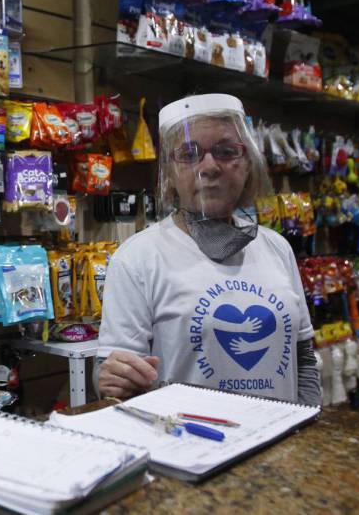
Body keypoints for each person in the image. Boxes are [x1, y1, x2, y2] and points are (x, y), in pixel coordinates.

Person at [97, 94, 321, 406]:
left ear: (247, 165)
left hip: (278, 444)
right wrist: (110, 378)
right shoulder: (138, 258)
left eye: (226, 151)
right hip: (188, 449)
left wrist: (308, 427)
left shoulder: (276, 248)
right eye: (189, 153)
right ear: (171, 174)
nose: (209, 167)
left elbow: (303, 360)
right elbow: (113, 379)